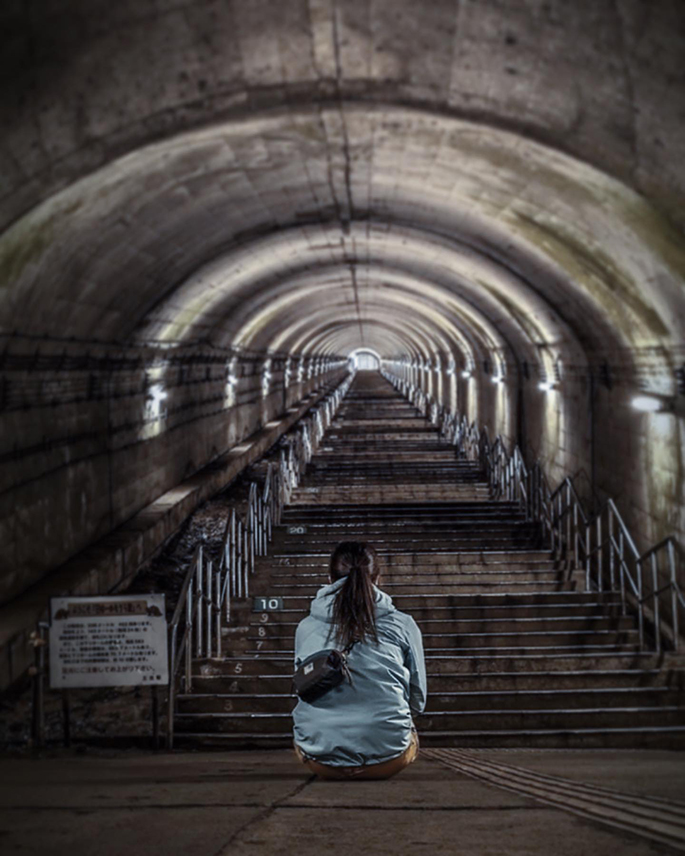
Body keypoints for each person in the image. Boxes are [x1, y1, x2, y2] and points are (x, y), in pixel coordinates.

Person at [293, 541, 427, 780]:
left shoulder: (306, 627)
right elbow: (417, 700)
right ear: (378, 579)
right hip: (390, 757)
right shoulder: (403, 625)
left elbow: (302, 687)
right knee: (407, 726)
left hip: (319, 759)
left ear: (329, 578)